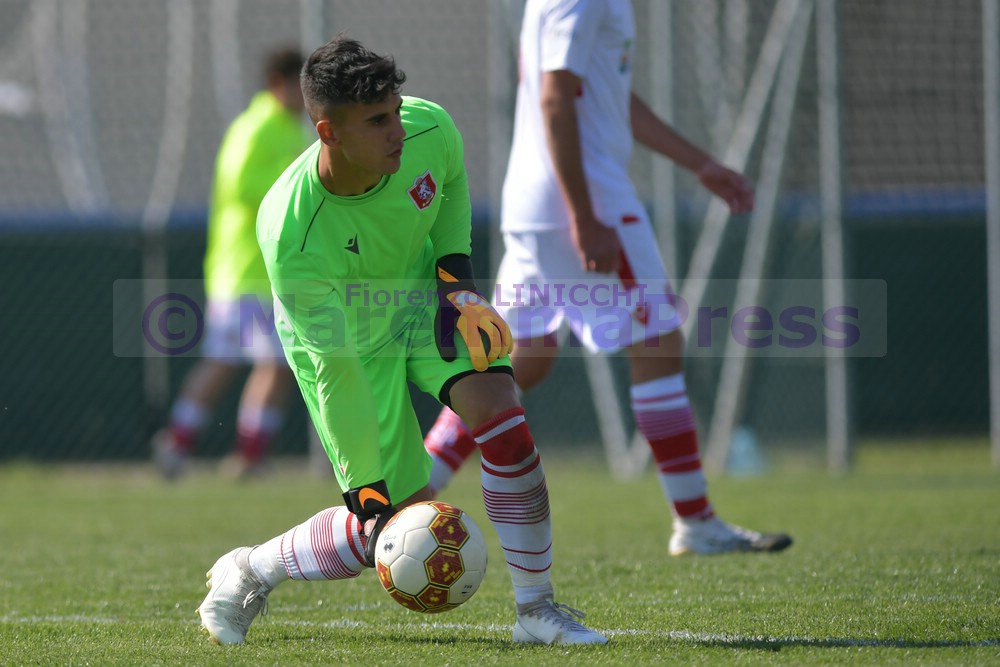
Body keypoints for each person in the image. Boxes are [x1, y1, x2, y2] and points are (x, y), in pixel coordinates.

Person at [196, 36, 607, 646]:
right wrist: (364, 485)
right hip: (350, 349)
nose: (397, 128)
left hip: (421, 303)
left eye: (394, 109)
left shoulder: (427, 127)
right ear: (328, 132)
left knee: (505, 424)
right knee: (388, 526)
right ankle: (249, 569)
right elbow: (337, 371)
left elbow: (450, 181)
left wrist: (455, 284)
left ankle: (537, 611)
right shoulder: (292, 233)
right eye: (377, 121)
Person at [423, 0, 792, 556]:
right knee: (657, 341)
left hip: (533, 201)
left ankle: (409, 493)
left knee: (521, 359)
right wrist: (583, 214)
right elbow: (553, 98)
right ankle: (695, 521)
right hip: (584, 199)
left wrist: (699, 163)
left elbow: (606, 99)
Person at [152, 48, 309, 479]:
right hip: (246, 269)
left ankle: (185, 445)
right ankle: (237, 454)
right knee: (268, 362)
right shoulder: (256, 126)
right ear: (279, 82)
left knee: (241, 361)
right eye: (300, 82)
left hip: (262, 270)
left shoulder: (290, 127)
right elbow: (240, 184)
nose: (306, 93)